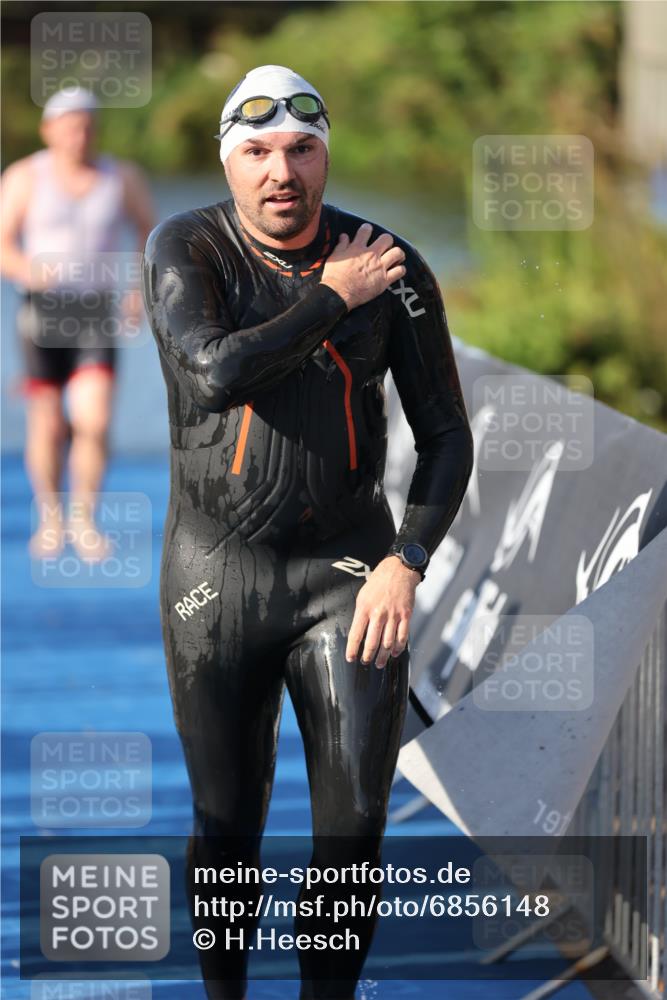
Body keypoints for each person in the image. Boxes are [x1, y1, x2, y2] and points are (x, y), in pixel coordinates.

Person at [141, 64, 474, 999]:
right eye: (256, 152)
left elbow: (446, 434)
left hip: (349, 579)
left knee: (354, 825)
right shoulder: (186, 247)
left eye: (300, 149)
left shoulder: (394, 267)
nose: (280, 171)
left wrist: (407, 560)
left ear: (326, 156)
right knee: (228, 821)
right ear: (230, 163)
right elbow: (211, 375)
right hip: (215, 578)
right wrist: (332, 296)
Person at [0, 85, 155, 559]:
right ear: (49, 130)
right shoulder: (25, 176)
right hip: (43, 311)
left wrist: (137, 288)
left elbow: (151, 232)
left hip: (94, 311)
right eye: (69, 126)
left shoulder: (120, 176)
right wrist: (29, 270)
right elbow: (3, 244)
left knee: (95, 418)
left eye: (87, 126)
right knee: (47, 423)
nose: (79, 136)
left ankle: (84, 518)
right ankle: (50, 517)